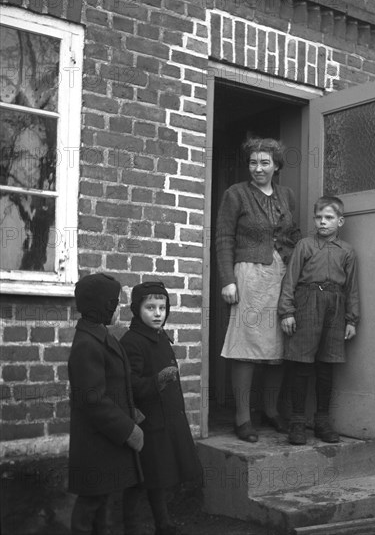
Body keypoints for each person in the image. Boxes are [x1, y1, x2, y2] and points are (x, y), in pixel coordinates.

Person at [216, 137, 301, 442]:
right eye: (253, 162)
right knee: (246, 345)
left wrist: (295, 269)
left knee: (278, 346)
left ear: (276, 166)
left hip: (280, 275)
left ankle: (271, 411)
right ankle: (242, 417)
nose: (258, 168)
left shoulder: (286, 195)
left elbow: (292, 234)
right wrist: (228, 279)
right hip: (249, 275)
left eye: (265, 162)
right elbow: (224, 238)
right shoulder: (235, 194)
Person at [121, 281, 203, 535]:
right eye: (150, 308)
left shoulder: (159, 337)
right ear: (136, 310)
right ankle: (130, 528)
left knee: (160, 476)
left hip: (166, 419)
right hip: (148, 423)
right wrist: (156, 382)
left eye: (162, 307)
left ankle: (163, 524)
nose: (158, 313)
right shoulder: (133, 341)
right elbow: (129, 384)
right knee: (141, 479)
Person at [278, 196, 360, 445]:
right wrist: (287, 311)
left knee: (326, 365)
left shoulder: (347, 251)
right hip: (307, 303)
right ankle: (297, 422)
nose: (322, 223)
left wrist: (351, 319)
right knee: (301, 365)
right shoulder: (305, 245)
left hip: (335, 306)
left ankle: (323, 421)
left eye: (329, 218)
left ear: (340, 221)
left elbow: (352, 288)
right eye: (318, 218)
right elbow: (290, 280)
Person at [68, 273, 144, 535]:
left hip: (104, 440)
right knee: (90, 505)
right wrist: (128, 429)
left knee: (103, 503)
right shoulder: (86, 345)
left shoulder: (101, 335)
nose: (118, 308)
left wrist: (129, 410)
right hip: (94, 442)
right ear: (102, 306)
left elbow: (112, 385)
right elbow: (93, 400)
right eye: (114, 302)